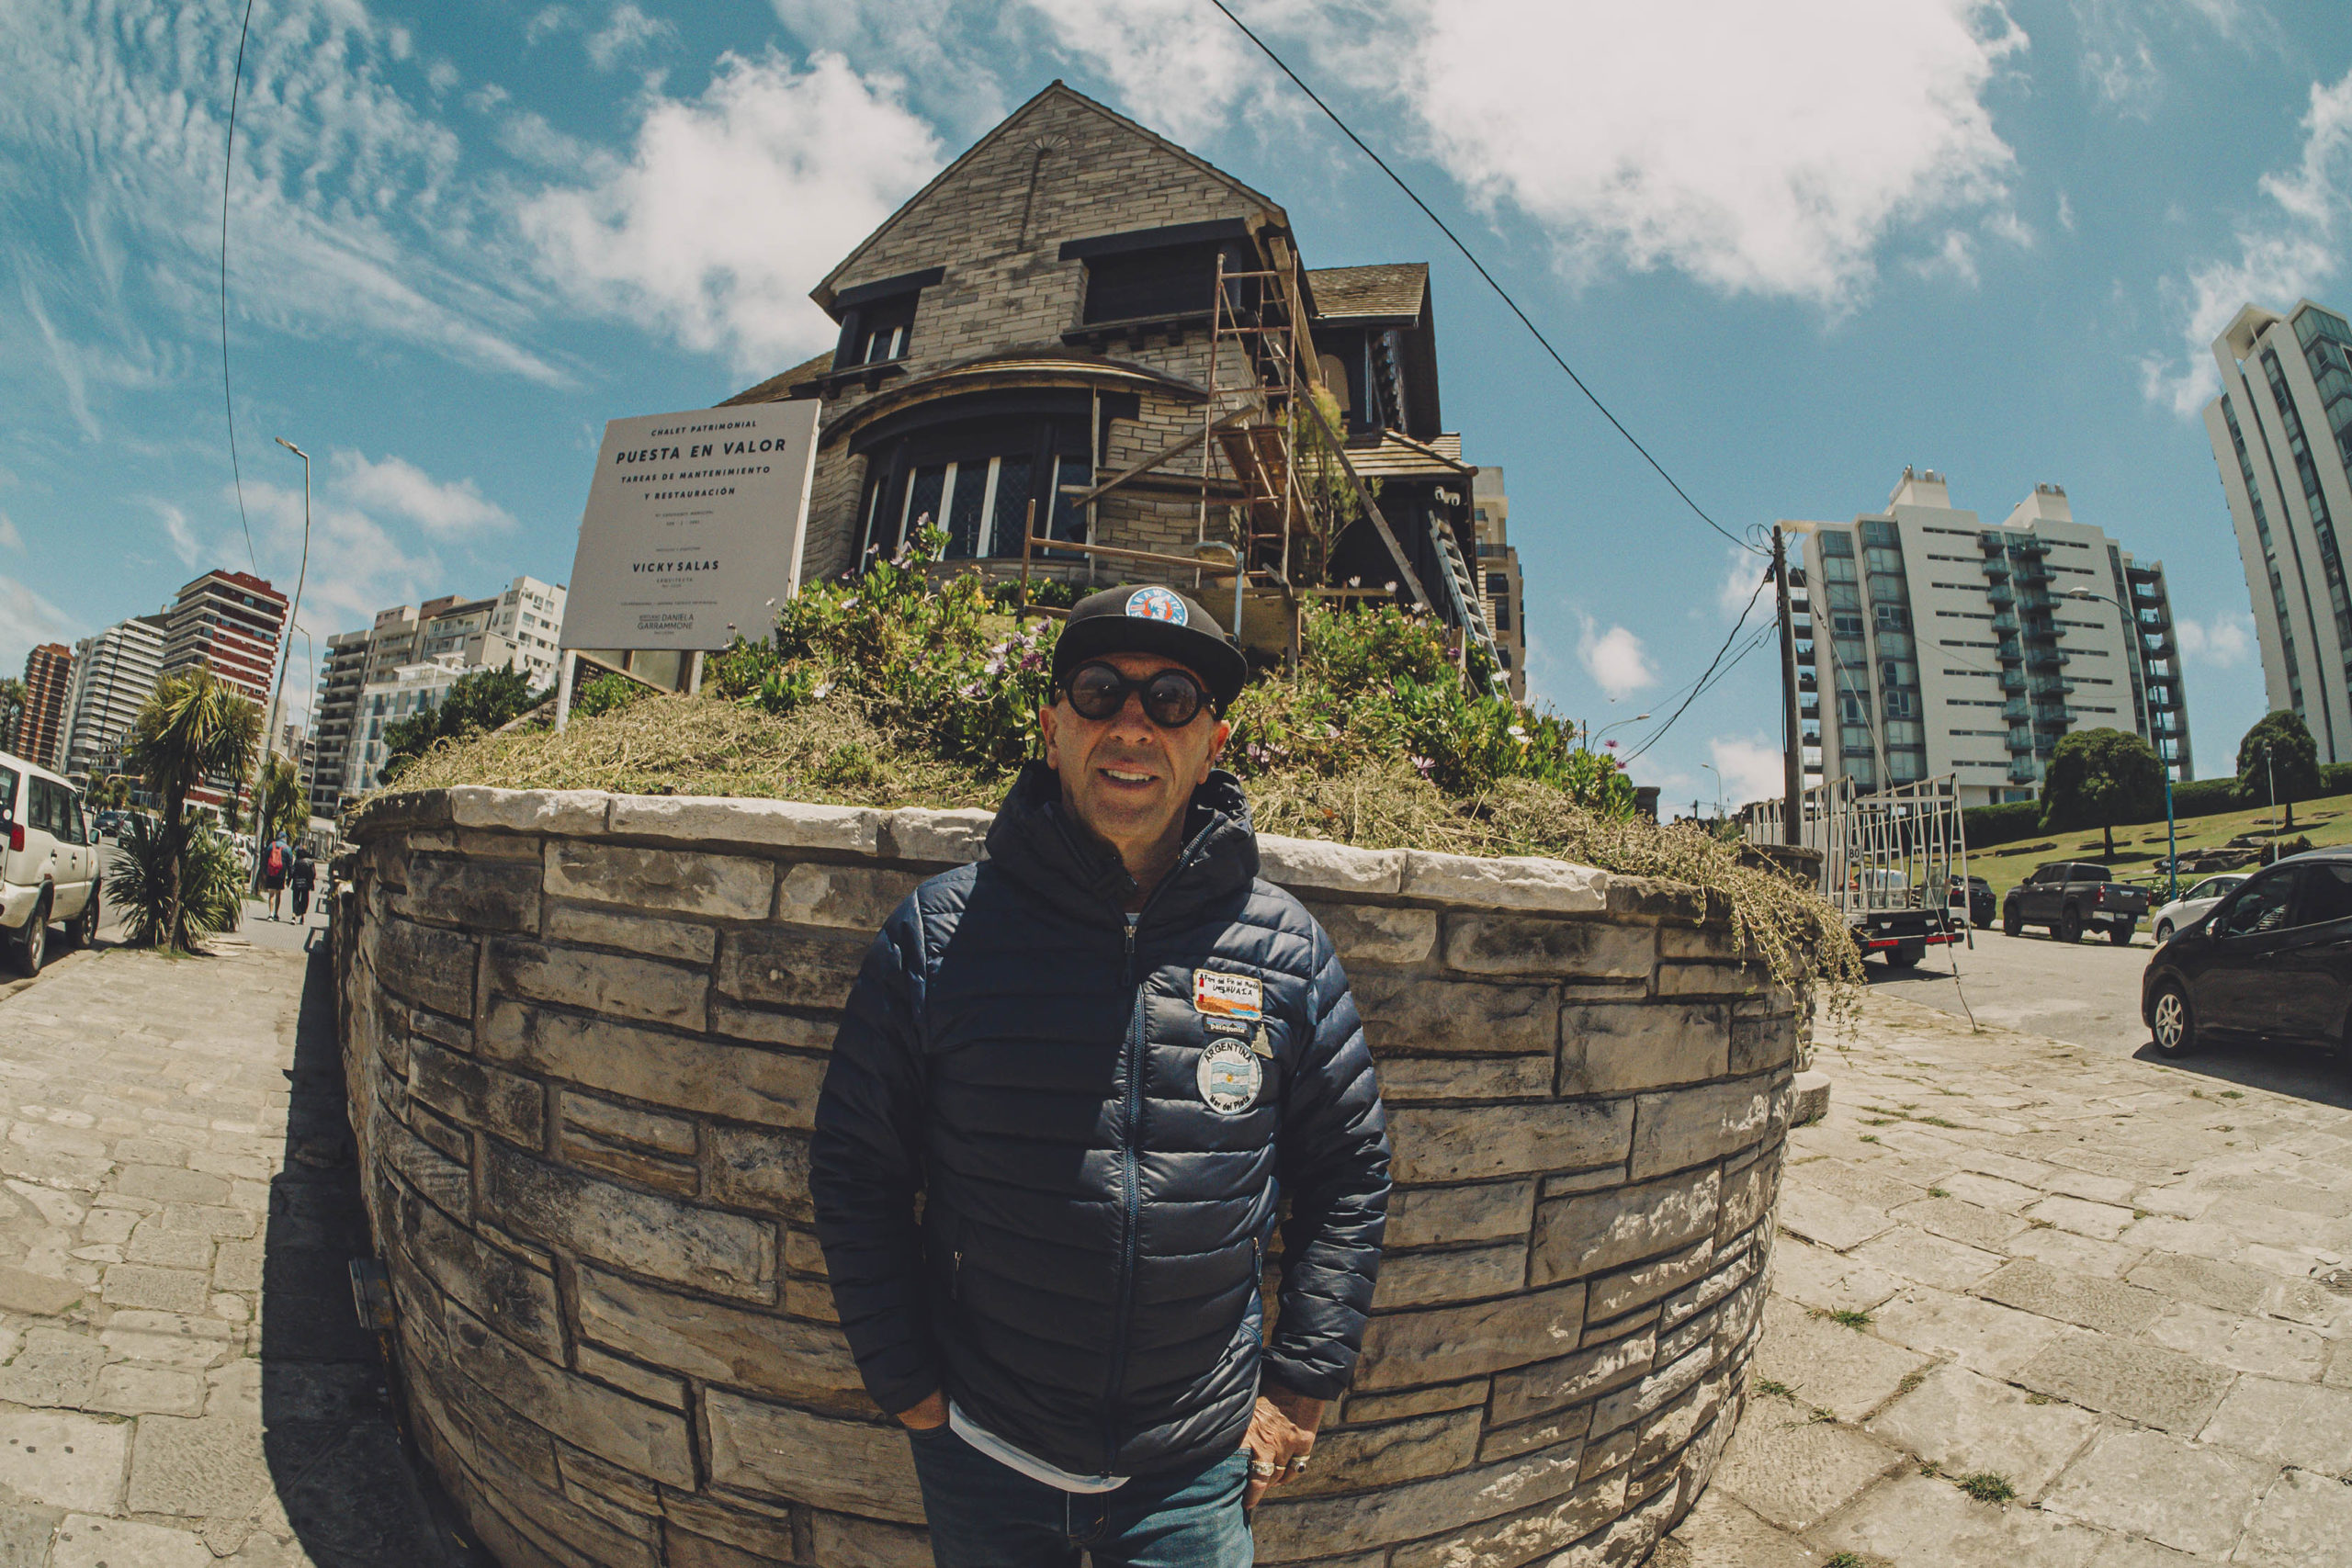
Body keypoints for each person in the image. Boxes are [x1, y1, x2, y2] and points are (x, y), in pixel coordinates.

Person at [811, 583, 1391, 1568]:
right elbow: (855, 1167)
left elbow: (1349, 1172)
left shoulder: (1287, 950)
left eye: (1171, 698)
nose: (1131, 724)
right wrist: (903, 1379)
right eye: (1097, 691)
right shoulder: (938, 935)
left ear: (1211, 745)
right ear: (1052, 730)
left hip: (1194, 1470)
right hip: (983, 1451)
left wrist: (1300, 1384)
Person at [261, 835, 290, 919]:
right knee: (278, 894)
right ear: (285, 839)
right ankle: (276, 914)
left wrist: (264, 871)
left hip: (271, 872)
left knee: (271, 894)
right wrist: (289, 877)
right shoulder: (287, 848)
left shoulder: (271, 845)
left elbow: (265, 859)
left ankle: (270, 913)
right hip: (281, 874)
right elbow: (290, 863)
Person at [288, 846, 317, 924]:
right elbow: (313, 874)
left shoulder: (297, 862)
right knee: (305, 900)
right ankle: (302, 916)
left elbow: (292, 872)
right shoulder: (310, 862)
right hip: (306, 885)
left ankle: (293, 916)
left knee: (295, 899)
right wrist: (312, 883)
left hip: (296, 883)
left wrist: (288, 880)